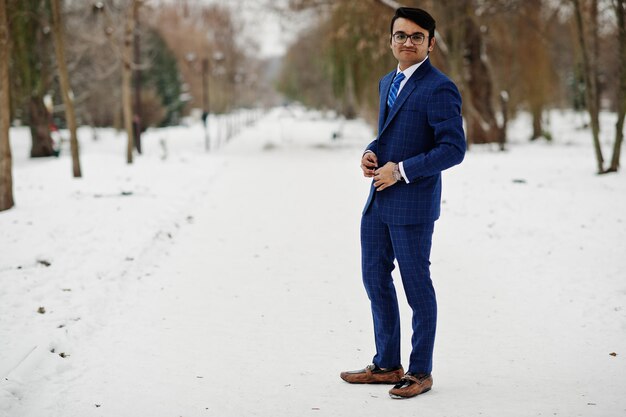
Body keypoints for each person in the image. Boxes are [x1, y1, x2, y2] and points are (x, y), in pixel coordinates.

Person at [340, 7, 466, 399]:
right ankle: (386, 364)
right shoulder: (386, 83)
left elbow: (453, 149)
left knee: (416, 286)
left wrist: (403, 171)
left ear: (431, 42)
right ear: (390, 40)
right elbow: (389, 135)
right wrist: (371, 153)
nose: (407, 42)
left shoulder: (439, 87)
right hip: (378, 201)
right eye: (400, 35)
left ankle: (420, 371)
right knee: (374, 279)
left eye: (416, 36)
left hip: (412, 205)